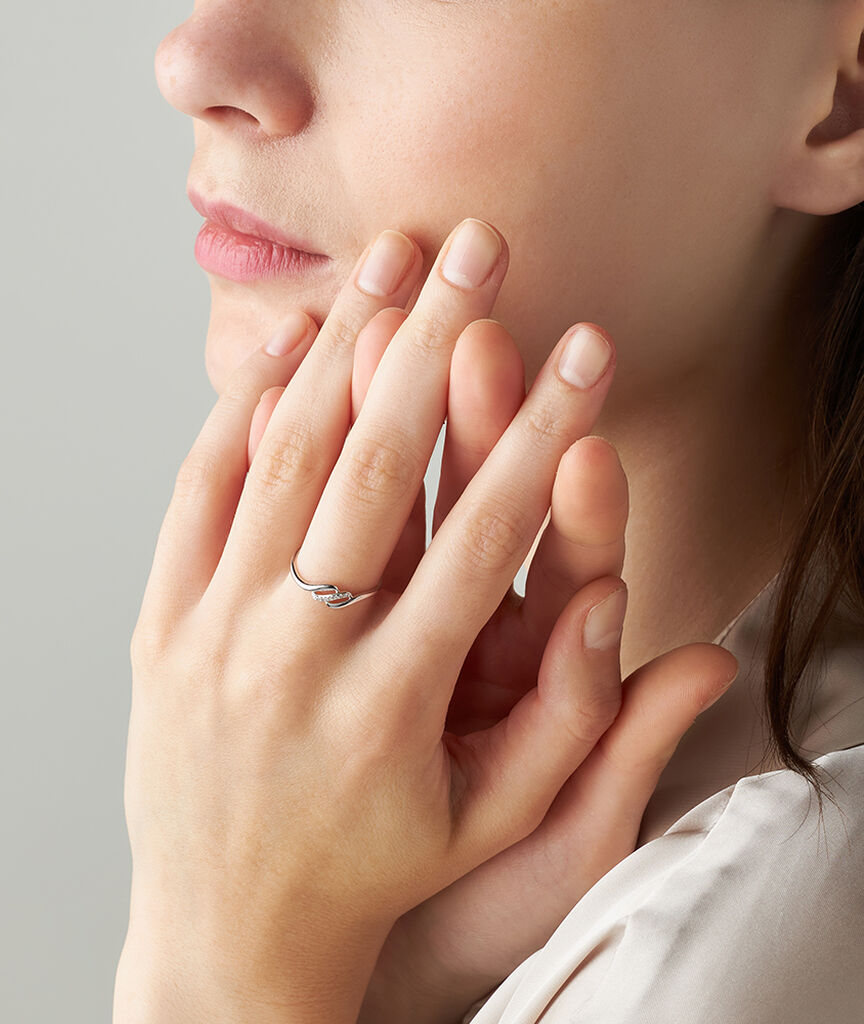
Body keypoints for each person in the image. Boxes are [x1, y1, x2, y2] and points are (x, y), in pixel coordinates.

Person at [113, 2, 864, 1021]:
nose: (193, 59)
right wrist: (379, 984)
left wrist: (218, 970)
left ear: (843, 95)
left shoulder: (731, 955)